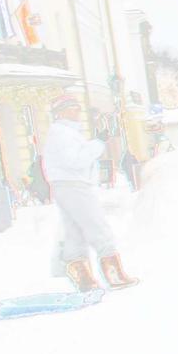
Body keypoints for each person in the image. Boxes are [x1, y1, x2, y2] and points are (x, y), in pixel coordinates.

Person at [42, 96, 137, 290]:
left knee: (75, 231)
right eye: (72, 108)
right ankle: (113, 273)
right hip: (74, 185)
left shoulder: (63, 132)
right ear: (61, 112)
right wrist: (98, 144)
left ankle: (83, 277)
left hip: (66, 185)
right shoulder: (62, 134)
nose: (77, 111)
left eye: (77, 107)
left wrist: (95, 142)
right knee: (97, 226)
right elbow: (76, 161)